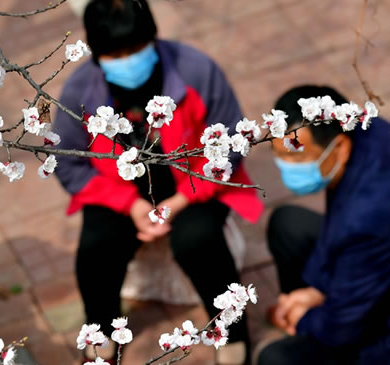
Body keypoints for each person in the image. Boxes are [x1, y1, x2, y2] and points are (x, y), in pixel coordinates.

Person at [53, 0, 264, 363]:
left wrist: (180, 200)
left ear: (154, 36)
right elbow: (69, 163)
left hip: (194, 181)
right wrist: (132, 205)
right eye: (114, 54)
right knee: (96, 248)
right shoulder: (79, 93)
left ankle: (231, 331)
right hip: (120, 189)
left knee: (199, 240)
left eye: (135, 49)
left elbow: (230, 142)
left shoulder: (197, 71)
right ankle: (100, 329)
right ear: (95, 52)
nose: (127, 60)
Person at [258, 85, 390, 364]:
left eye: (295, 156)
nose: (285, 166)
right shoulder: (366, 130)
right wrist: (316, 289)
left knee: (275, 359)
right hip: (369, 265)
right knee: (288, 224)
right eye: (278, 154)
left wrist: (306, 318)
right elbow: (337, 226)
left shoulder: (367, 215)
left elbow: (344, 325)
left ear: (339, 147)